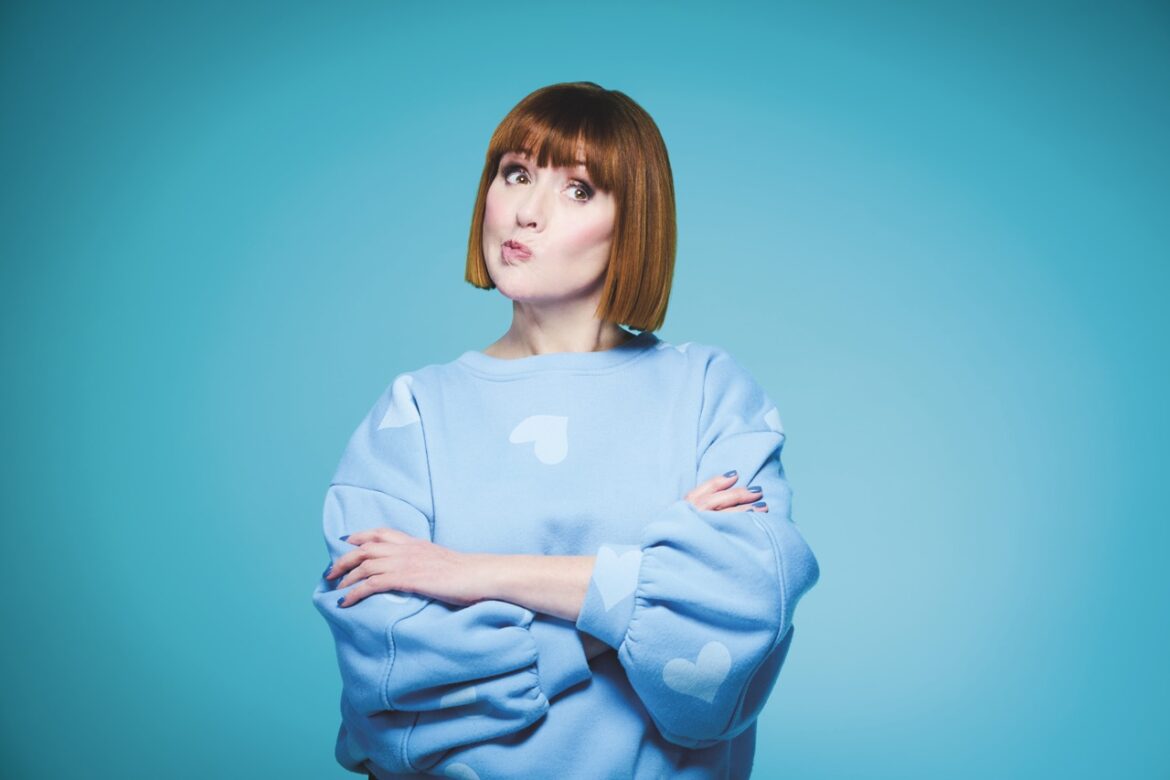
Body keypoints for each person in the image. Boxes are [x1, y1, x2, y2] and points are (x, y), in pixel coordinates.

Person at [311, 81, 820, 779]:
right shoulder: (415, 413)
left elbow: (740, 614)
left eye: (578, 190)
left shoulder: (708, 393)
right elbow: (395, 684)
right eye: (515, 173)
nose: (526, 210)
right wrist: (641, 592)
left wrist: (467, 574)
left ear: (633, 223)